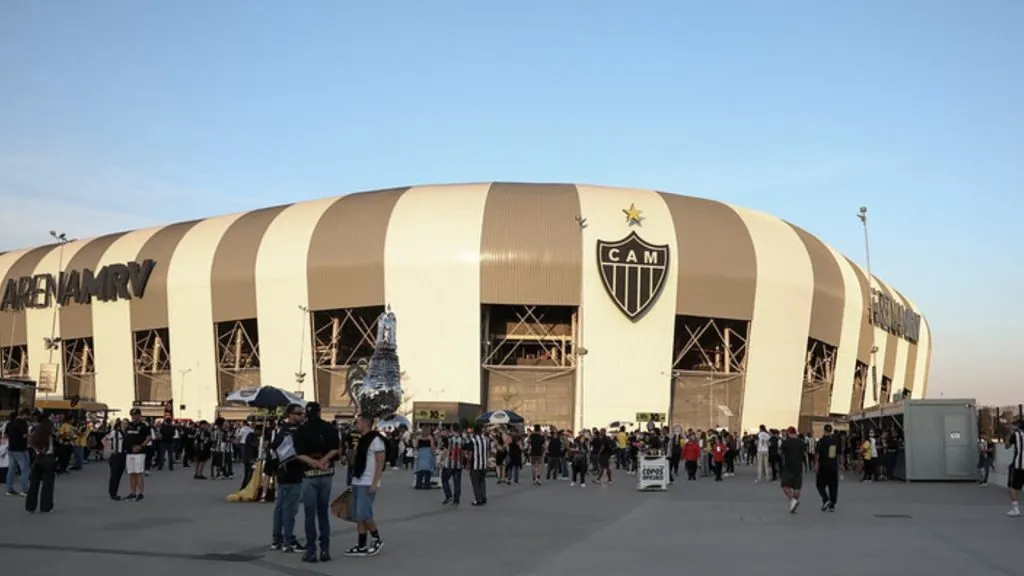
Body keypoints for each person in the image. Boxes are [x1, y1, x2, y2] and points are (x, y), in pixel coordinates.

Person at [293, 402, 340, 563]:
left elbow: (299, 454)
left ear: (306, 414)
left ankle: (311, 550)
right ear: (320, 412)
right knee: (323, 513)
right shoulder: (330, 429)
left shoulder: (300, 430)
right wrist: (324, 460)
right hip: (326, 473)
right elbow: (335, 449)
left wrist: (313, 462)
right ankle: (325, 549)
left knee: (309, 514)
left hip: (309, 474)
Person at [346, 413, 386, 557]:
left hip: (368, 481)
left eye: (358, 422)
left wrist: (376, 482)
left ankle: (377, 538)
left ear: (365, 423)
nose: (356, 425)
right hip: (358, 480)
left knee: (365, 513)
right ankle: (361, 544)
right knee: (359, 515)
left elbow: (380, 462)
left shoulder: (376, 440)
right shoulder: (361, 440)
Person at [269, 404, 304, 552]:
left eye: (302, 413)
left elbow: (271, 450)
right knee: (289, 508)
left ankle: (277, 539)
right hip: (293, 472)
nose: (301, 416)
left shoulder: (278, 430)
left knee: (280, 507)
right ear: (289, 415)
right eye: (298, 413)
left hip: (281, 472)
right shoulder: (294, 432)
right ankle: (288, 541)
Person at [25, 413, 56, 513]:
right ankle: (45, 506)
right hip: (48, 458)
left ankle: (30, 506)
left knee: (34, 484)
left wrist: (38, 451)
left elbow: (30, 441)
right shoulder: (49, 434)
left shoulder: (36, 431)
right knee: (48, 484)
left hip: (38, 458)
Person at [124, 408, 152, 501]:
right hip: (129, 452)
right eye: (132, 415)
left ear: (139, 415)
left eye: (136, 415)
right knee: (131, 473)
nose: (134, 417)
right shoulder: (129, 426)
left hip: (139, 452)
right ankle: (133, 493)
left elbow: (148, 438)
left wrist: (140, 446)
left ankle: (140, 493)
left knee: (138, 473)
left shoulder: (144, 426)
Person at [4, 406, 30, 496]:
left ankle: (9, 489)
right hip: (21, 449)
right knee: (25, 469)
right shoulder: (22, 423)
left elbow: (6, 435)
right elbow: (24, 436)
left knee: (11, 470)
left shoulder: (10, 423)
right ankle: (25, 490)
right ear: (24, 415)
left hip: (11, 448)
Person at [815, 424, 840, 512]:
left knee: (819, 485)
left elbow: (817, 454)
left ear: (824, 430)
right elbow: (839, 454)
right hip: (833, 466)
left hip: (823, 466)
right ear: (831, 431)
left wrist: (816, 464)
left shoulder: (821, 441)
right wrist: (841, 464)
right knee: (833, 486)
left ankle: (826, 499)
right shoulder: (835, 441)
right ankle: (832, 505)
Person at [779, 427, 805, 513]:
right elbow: (803, 454)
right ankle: (793, 505)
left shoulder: (786, 442)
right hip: (798, 467)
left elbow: (780, 452)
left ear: (789, 433)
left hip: (788, 467)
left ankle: (793, 500)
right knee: (797, 488)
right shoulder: (801, 442)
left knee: (785, 485)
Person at [440, 423, 464, 506]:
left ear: (452, 428)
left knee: (444, 479)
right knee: (457, 483)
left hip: (449, 463)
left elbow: (446, 451)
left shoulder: (449, 439)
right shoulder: (463, 439)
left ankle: (449, 495)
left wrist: (441, 460)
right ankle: (456, 500)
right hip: (459, 463)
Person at [465, 426, 489, 506]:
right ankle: (483, 497)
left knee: (475, 483)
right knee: (482, 481)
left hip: (475, 465)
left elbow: (470, 454)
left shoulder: (473, 440)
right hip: (484, 464)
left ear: (474, 432)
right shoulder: (486, 440)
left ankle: (478, 499)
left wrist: (468, 463)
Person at [105, 420, 127, 500]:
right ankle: (112, 493)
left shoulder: (127, 434)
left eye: (126, 424)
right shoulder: (115, 432)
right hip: (115, 456)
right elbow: (104, 439)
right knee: (114, 475)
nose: (125, 425)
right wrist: (111, 449)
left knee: (119, 476)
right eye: (123, 424)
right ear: (120, 425)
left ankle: (115, 492)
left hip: (123, 456)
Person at [1006, 420, 1023, 517]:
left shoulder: (1015, 434)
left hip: (1018, 465)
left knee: (1012, 487)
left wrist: (1010, 433)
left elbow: (1007, 446)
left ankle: (1015, 508)